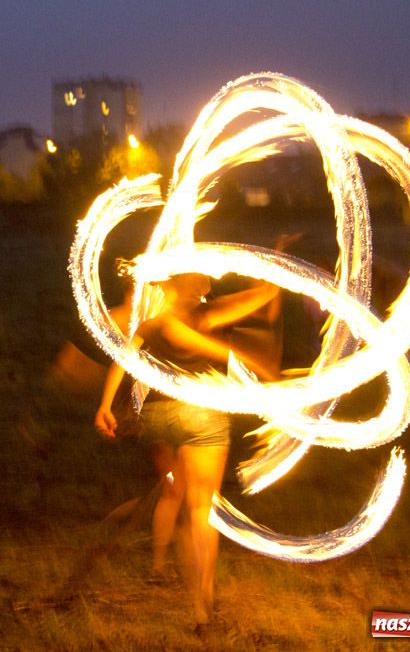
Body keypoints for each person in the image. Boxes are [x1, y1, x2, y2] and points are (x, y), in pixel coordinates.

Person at [93, 239, 290, 633]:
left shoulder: (150, 322)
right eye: (204, 279)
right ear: (195, 283)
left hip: (160, 419)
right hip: (201, 415)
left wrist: (104, 404)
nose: (210, 284)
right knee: (202, 509)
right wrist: (278, 260)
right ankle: (203, 602)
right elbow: (260, 298)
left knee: (177, 497)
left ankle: (187, 592)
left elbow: (123, 360)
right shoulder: (206, 313)